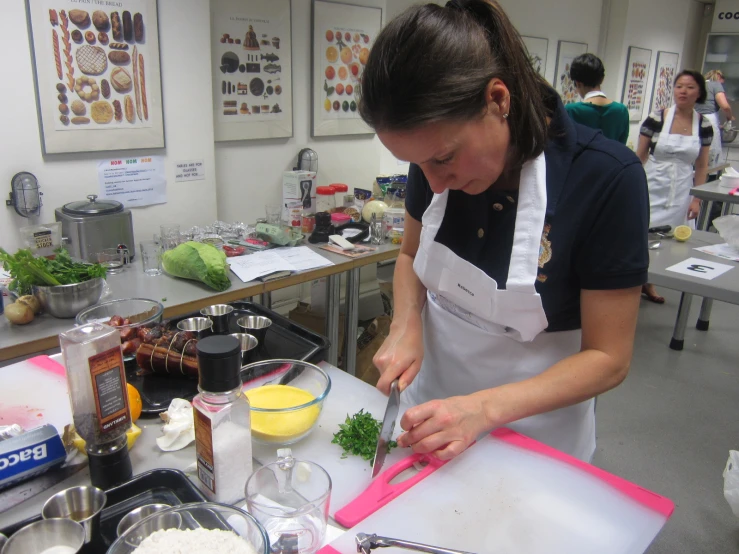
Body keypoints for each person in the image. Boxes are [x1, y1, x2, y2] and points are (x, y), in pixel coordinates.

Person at [359, 0, 649, 462]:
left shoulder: (606, 179)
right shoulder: (432, 159)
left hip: (535, 441)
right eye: (417, 164)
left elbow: (609, 358)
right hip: (427, 418)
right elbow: (411, 258)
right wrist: (406, 322)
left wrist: (482, 409)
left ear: (498, 100)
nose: (431, 182)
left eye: (443, 159)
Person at [637, 70, 713, 304]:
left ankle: (651, 281)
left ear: (699, 92)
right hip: (652, 182)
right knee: (642, 233)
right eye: (679, 86)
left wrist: (697, 198)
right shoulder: (657, 118)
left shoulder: (703, 125)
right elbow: (639, 156)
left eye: (690, 87)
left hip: (681, 187)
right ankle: (635, 279)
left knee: (670, 237)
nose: (683, 91)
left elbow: (701, 165)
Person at [564, 53, 630, 144]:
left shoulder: (571, 111)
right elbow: (622, 147)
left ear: (578, 83)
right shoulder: (621, 111)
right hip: (611, 158)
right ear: (602, 79)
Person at [695, 69, 734, 176]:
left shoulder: (698, 85)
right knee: (711, 153)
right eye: (722, 82)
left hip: (693, 119)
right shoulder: (715, 85)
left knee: (697, 151)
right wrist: (730, 118)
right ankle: (710, 178)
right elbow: (725, 106)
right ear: (719, 78)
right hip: (709, 119)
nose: (722, 85)